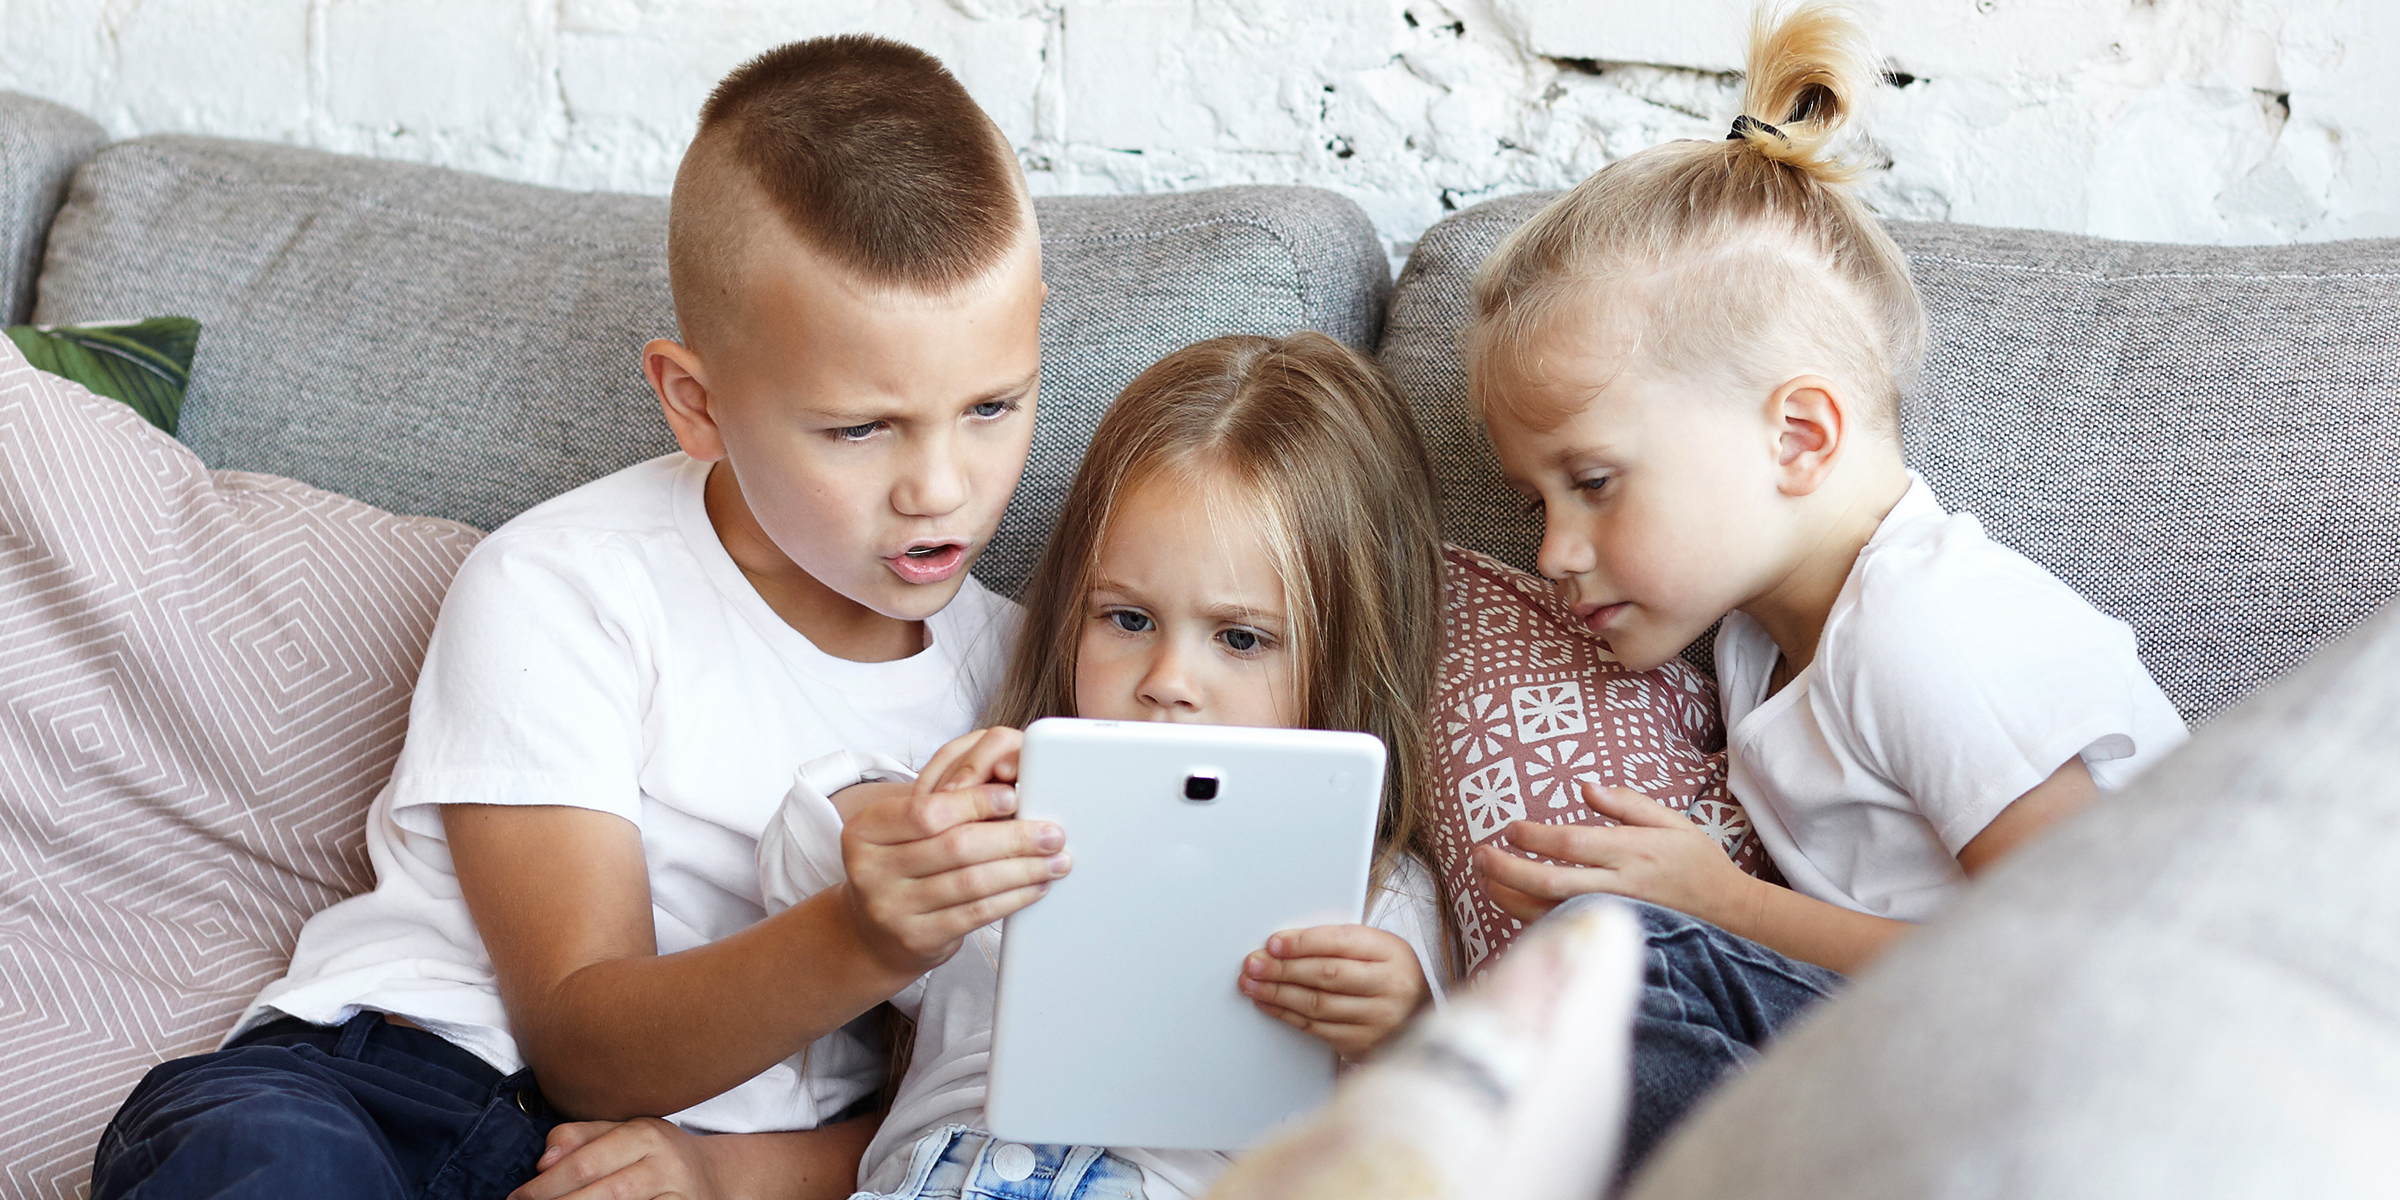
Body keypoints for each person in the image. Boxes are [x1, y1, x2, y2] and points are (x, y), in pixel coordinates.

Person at [94, 35, 1059, 1200]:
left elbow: (966, 1099)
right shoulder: (565, 585)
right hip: (400, 1087)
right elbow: (581, 1044)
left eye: (993, 405)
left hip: (691, 1170)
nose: (941, 488)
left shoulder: (1021, 675)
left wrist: (725, 1176)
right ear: (694, 404)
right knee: (258, 1161)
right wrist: (866, 936)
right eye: (861, 429)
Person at [1461, 0, 2189, 1177]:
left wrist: (1720, 906)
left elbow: (2071, 957)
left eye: (1593, 482)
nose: (1551, 550)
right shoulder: (1758, 637)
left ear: (1798, 436)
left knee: (1629, 966)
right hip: (1902, 1063)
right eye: (1538, 501)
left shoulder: (1927, 631)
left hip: (2086, 1079)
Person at [755, 331, 1458, 1200]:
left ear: (1345, 653)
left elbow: (1452, 1141)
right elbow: (795, 862)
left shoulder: (1376, 899)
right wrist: (894, 821)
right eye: (1127, 620)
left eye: (1241, 639)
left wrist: (1403, 1035)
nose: (1167, 683)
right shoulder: (1009, 838)